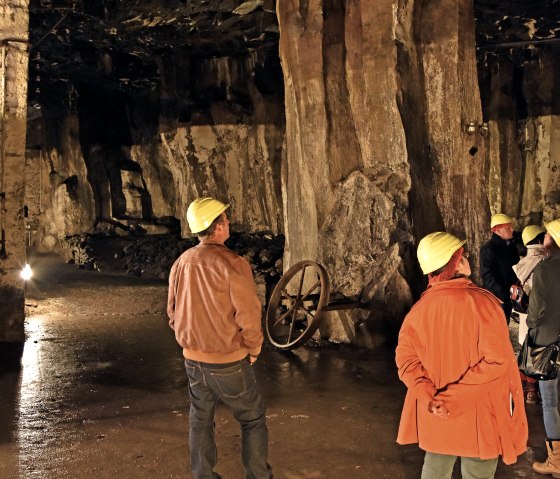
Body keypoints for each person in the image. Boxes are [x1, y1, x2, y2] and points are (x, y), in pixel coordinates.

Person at [396, 231, 528, 479]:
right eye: (462, 254)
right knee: (478, 472)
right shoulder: (483, 304)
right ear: (455, 262)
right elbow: (497, 361)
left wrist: (431, 399)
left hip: (436, 411)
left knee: (435, 469)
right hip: (478, 411)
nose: (466, 257)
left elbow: (406, 361)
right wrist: (453, 399)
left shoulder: (418, 310)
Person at [167, 197, 273, 479]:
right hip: (229, 361)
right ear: (217, 229)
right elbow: (248, 314)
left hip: (192, 361)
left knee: (200, 419)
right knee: (252, 419)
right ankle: (259, 476)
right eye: (225, 220)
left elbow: (172, 311)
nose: (228, 224)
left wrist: (188, 340)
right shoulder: (233, 264)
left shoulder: (181, 263)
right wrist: (253, 348)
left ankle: (203, 475)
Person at [526, 219, 560, 476]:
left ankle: (556, 461)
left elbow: (535, 312)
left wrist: (531, 323)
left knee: (550, 402)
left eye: (548, 235)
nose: (544, 238)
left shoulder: (545, 269)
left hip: (549, 341)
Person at [512, 225, 546, 404]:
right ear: (540, 240)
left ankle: (526, 389)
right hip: (539, 314)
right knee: (537, 351)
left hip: (523, 312)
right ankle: (534, 391)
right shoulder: (543, 260)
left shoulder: (523, 261)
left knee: (523, 349)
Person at [480, 213, 520, 322]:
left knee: (504, 324)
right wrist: (505, 293)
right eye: (508, 228)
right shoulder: (488, 249)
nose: (512, 230)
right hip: (496, 298)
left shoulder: (510, 246)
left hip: (509, 295)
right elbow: (487, 276)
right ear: (497, 231)